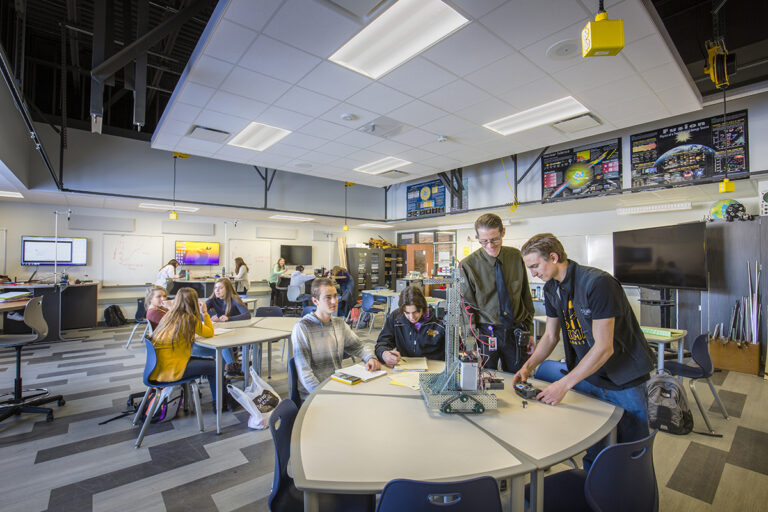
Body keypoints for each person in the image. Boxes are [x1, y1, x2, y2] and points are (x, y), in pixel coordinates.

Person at [513, 233, 655, 469]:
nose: (533, 273)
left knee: (632, 451)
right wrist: (528, 366)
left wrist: (564, 384)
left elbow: (603, 347)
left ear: (554, 257)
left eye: (536, 266)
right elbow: (550, 336)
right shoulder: (551, 289)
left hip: (624, 376)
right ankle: (595, 497)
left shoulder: (597, 283)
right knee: (595, 447)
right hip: (589, 375)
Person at [460, 213, 535, 373]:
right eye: (484, 241)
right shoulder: (468, 265)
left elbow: (525, 296)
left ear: (503, 232)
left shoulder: (515, 257)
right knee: (484, 380)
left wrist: (529, 331)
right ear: (477, 238)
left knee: (519, 377)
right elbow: (466, 310)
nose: (490, 245)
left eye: (495, 239)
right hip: (486, 333)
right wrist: (470, 343)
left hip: (515, 331)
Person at [292, 277, 380, 399]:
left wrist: (370, 358)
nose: (334, 301)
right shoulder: (302, 328)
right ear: (315, 301)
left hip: (338, 386)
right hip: (315, 396)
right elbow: (305, 374)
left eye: (335, 296)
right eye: (328, 297)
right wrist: (323, 395)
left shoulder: (339, 324)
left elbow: (359, 347)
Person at [147, 281, 240, 374]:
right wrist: (204, 313)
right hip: (182, 350)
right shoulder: (186, 317)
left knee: (223, 348)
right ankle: (226, 373)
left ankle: (228, 370)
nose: (163, 299)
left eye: (164, 296)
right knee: (223, 348)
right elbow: (209, 333)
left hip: (172, 349)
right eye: (159, 296)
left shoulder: (167, 313)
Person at [149, 288, 219, 406]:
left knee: (207, 362)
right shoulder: (188, 319)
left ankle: (220, 400)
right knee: (214, 366)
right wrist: (204, 313)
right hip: (171, 369)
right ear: (194, 302)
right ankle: (220, 403)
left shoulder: (169, 315)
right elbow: (209, 333)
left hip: (158, 367)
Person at [375, 286, 445, 367]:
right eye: (407, 313)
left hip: (434, 368)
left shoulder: (439, 320)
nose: (412, 317)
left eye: (416, 312)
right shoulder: (396, 317)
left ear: (423, 307)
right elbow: (382, 343)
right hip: (406, 367)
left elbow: (456, 349)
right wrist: (384, 354)